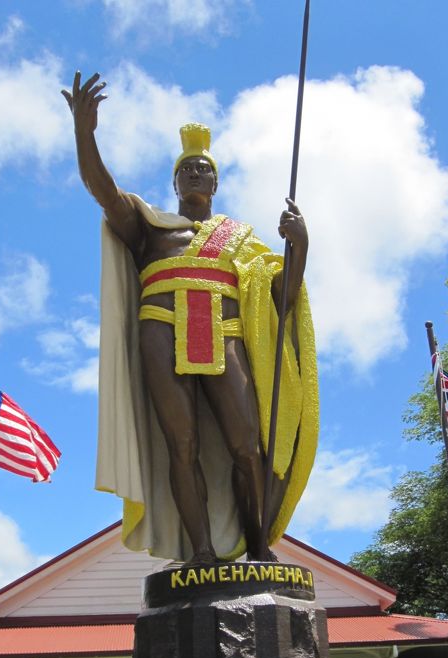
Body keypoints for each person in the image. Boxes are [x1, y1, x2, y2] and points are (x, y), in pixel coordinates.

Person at [62, 71, 318, 564]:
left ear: (216, 182)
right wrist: (84, 134)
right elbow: (103, 190)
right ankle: (200, 552)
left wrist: (300, 245)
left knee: (246, 445)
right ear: (175, 181)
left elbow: (281, 300)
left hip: (225, 337)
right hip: (162, 331)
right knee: (182, 444)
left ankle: (259, 546)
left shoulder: (241, 241)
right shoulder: (151, 228)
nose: (196, 174)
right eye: (188, 170)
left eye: (205, 169)